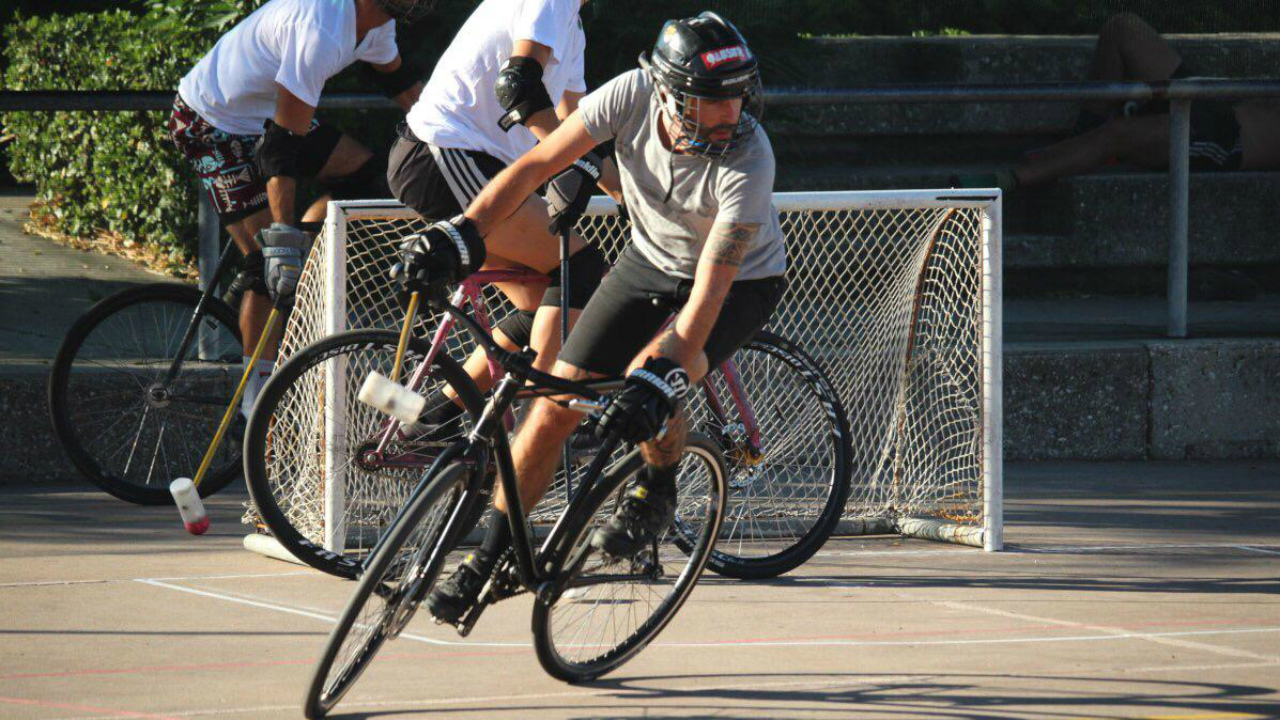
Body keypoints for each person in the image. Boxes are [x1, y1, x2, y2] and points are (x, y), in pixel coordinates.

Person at [398, 11, 787, 625]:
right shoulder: (628, 97)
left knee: (650, 371)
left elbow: (709, 292)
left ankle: (657, 488)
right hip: (652, 259)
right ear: (668, 93)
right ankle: (489, 560)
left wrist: (658, 379)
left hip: (739, 283)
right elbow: (532, 167)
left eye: (738, 97)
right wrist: (462, 233)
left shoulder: (750, 159)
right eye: (713, 101)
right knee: (553, 407)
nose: (731, 114)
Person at [168, 0, 429, 418]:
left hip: (265, 118)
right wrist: (283, 240)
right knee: (268, 264)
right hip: (211, 122)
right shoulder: (320, 29)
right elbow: (281, 149)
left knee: (366, 176)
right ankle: (256, 403)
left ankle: (292, 265)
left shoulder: (378, 25)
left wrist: (449, 138)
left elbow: (400, 83)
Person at [386, 0, 622, 436]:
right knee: (579, 269)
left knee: (548, 305)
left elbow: (577, 128)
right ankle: (546, 425)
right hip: (445, 153)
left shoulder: (573, 27)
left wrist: (632, 197)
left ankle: (423, 418)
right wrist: (579, 160)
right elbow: (517, 85)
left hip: (473, 162)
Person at [955, 12, 1280, 192]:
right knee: (1123, 29)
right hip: (1220, 99)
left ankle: (1009, 180)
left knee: (1119, 133)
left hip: (1226, 141)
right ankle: (1082, 138)